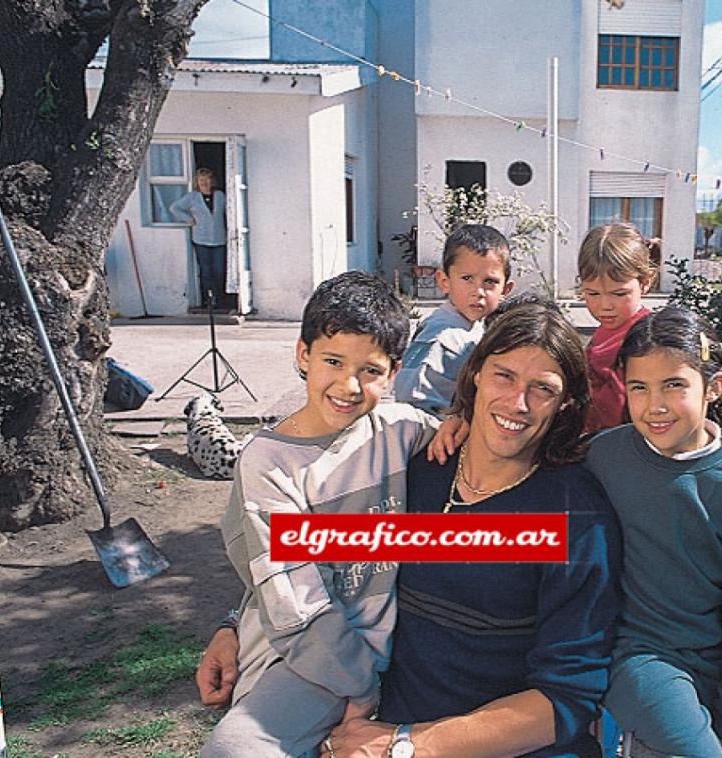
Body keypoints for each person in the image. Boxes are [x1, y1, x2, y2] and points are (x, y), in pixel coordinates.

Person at [326, 297, 623, 758]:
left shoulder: (576, 516)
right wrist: (235, 625)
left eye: (541, 389)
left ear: (565, 404)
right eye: (504, 376)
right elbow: (316, 546)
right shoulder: (414, 469)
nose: (517, 403)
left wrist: (406, 747)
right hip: (381, 717)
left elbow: (566, 696)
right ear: (477, 373)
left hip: (510, 745)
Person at [197, 271, 439, 758]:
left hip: (395, 643)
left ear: (392, 374)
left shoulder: (401, 429)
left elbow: (459, 447)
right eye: (333, 361)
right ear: (303, 354)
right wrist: (359, 687)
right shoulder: (269, 462)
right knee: (234, 751)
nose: (349, 385)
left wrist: (456, 428)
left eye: (370, 370)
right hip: (311, 657)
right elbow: (295, 603)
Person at [584, 305, 722, 757]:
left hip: (713, 657)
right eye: (639, 387)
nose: (655, 405)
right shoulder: (602, 457)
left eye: (674, 385)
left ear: (713, 386)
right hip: (638, 656)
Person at [393, 224, 515, 416]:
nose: (479, 292)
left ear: (505, 291)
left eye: (490, 282)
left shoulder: (472, 326)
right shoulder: (442, 337)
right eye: (467, 278)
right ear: (444, 281)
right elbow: (414, 401)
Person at [577, 223, 657, 435]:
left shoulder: (647, 339)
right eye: (592, 294)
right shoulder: (605, 331)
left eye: (619, 294)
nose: (605, 305)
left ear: (646, 281)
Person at [170, 167, 228, 308]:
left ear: (212, 181)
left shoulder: (220, 196)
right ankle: (209, 299)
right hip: (201, 239)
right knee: (206, 270)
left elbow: (230, 211)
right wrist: (189, 219)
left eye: (207, 180)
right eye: (201, 180)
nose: (204, 183)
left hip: (219, 239)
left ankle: (220, 297)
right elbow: (174, 208)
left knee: (219, 270)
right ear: (197, 182)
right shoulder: (192, 197)